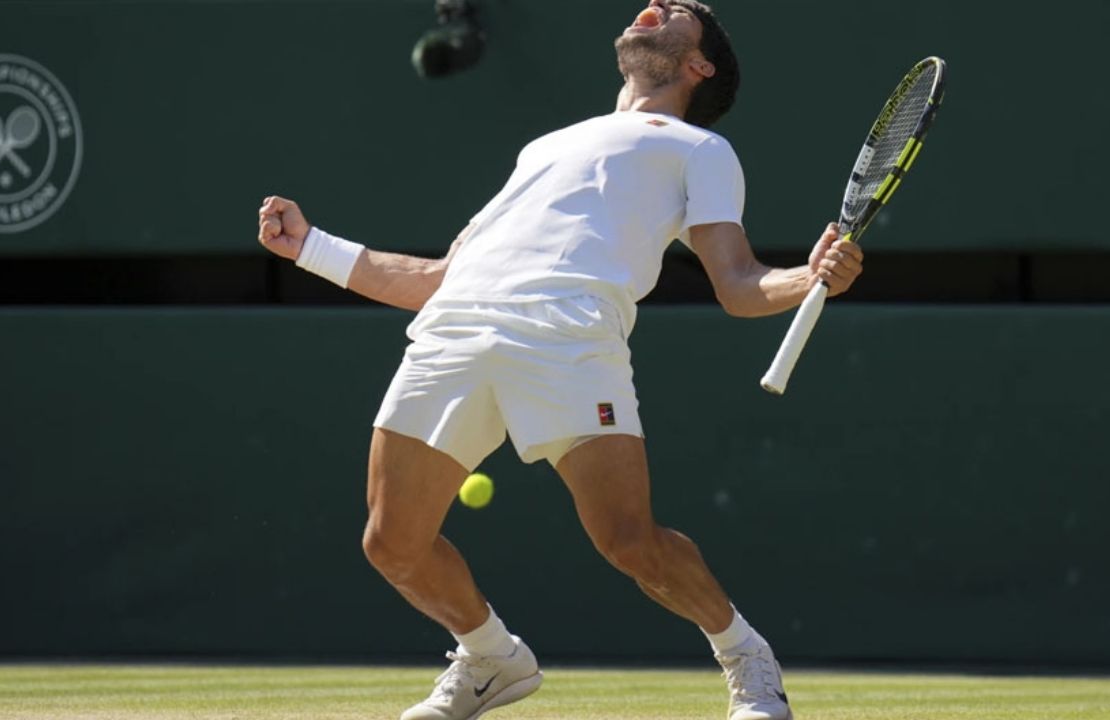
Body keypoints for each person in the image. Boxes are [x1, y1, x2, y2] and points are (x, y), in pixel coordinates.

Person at [258, 1, 864, 718]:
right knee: (391, 542)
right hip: (455, 329)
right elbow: (437, 277)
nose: (652, 7)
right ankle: (490, 658)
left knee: (630, 541)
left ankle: (744, 655)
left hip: (569, 336)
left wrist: (808, 277)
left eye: (676, 14)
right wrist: (311, 248)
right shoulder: (547, 146)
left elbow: (736, 284)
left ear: (698, 66)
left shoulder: (701, 150)